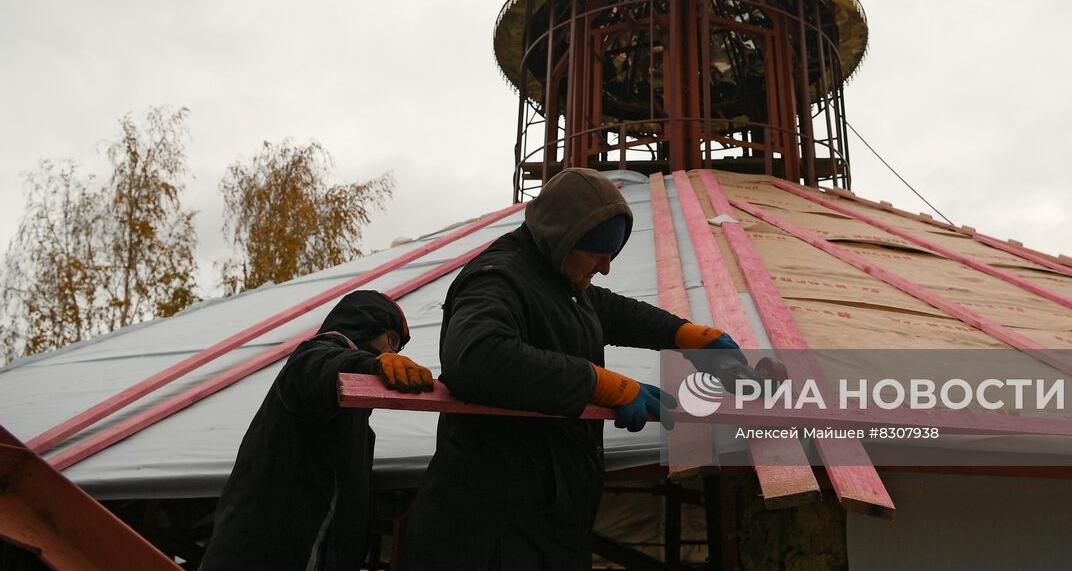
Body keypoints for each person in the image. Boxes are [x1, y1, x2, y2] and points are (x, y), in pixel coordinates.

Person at [398, 167, 742, 571]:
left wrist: (686, 335)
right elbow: (477, 358)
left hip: (544, 521)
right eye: (598, 253)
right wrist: (598, 384)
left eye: (612, 254)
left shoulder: (557, 277)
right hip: (488, 535)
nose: (606, 266)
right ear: (562, 238)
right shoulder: (496, 279)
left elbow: (612, 310)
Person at [201, 289, 433, 571]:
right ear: (364, 326)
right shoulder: (313, 358)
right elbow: (321, 369)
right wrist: (368, 364)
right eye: (392, 339)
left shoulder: (358, 428)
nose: (393, 352)